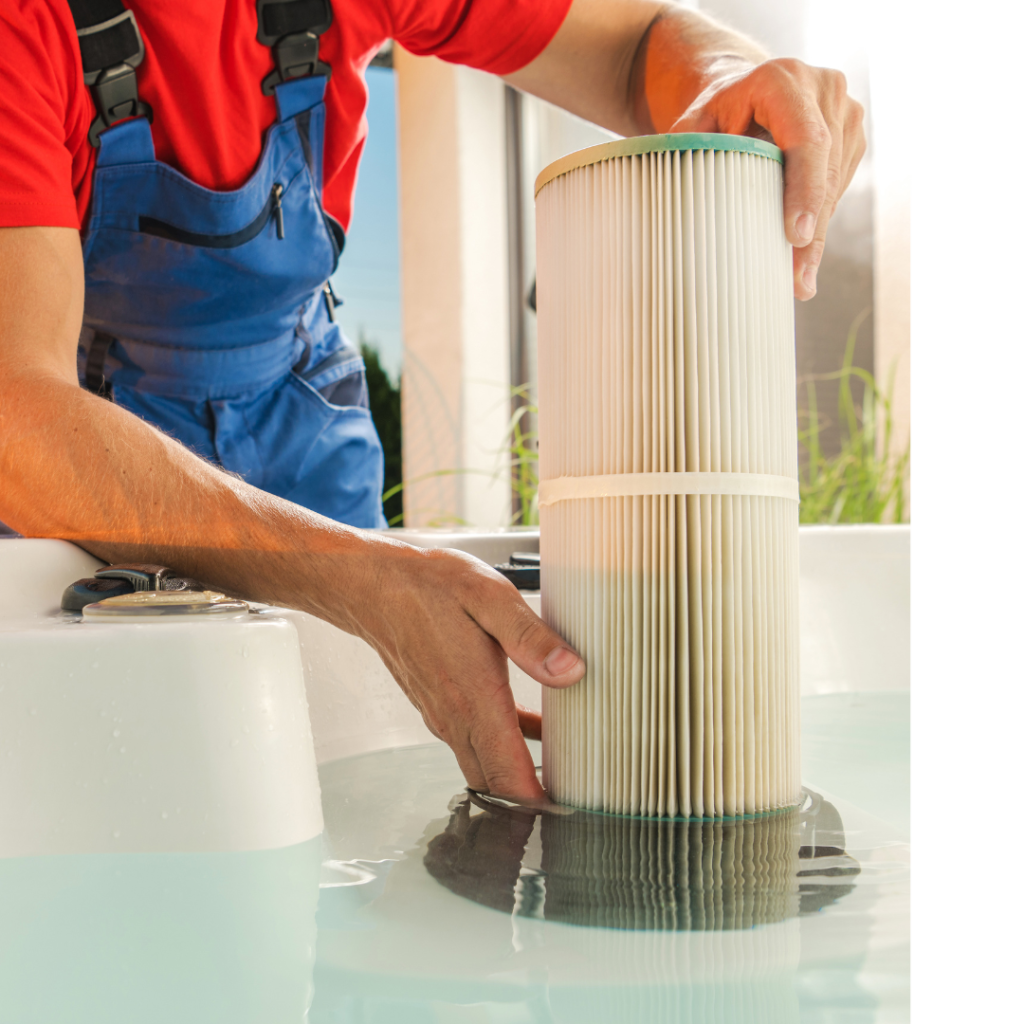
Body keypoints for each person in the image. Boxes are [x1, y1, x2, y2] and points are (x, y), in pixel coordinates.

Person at [0, 0, 865, 802]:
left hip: (301, 414)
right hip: (86, 444)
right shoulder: (24, 27)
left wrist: (719, 75)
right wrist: (362, 580)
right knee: (117, 784)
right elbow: (18, 413)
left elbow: (632, 45)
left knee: (353, 772)